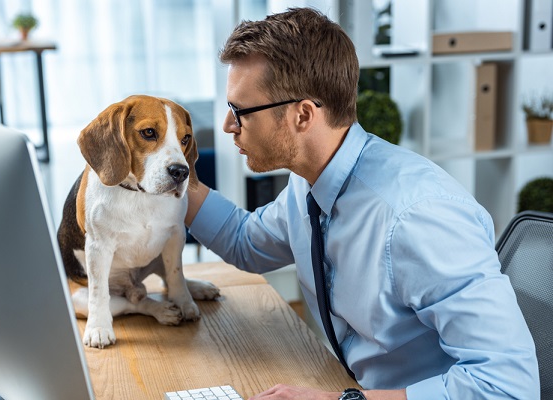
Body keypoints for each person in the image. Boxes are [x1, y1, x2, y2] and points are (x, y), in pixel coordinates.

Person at [185, 7, 539, 400]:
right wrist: (164, 173)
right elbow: (245, 242)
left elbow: (509, 386)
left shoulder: (417, 216)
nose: (228, 126)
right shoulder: (307, 184)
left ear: (302, 115)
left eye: (241, 111)